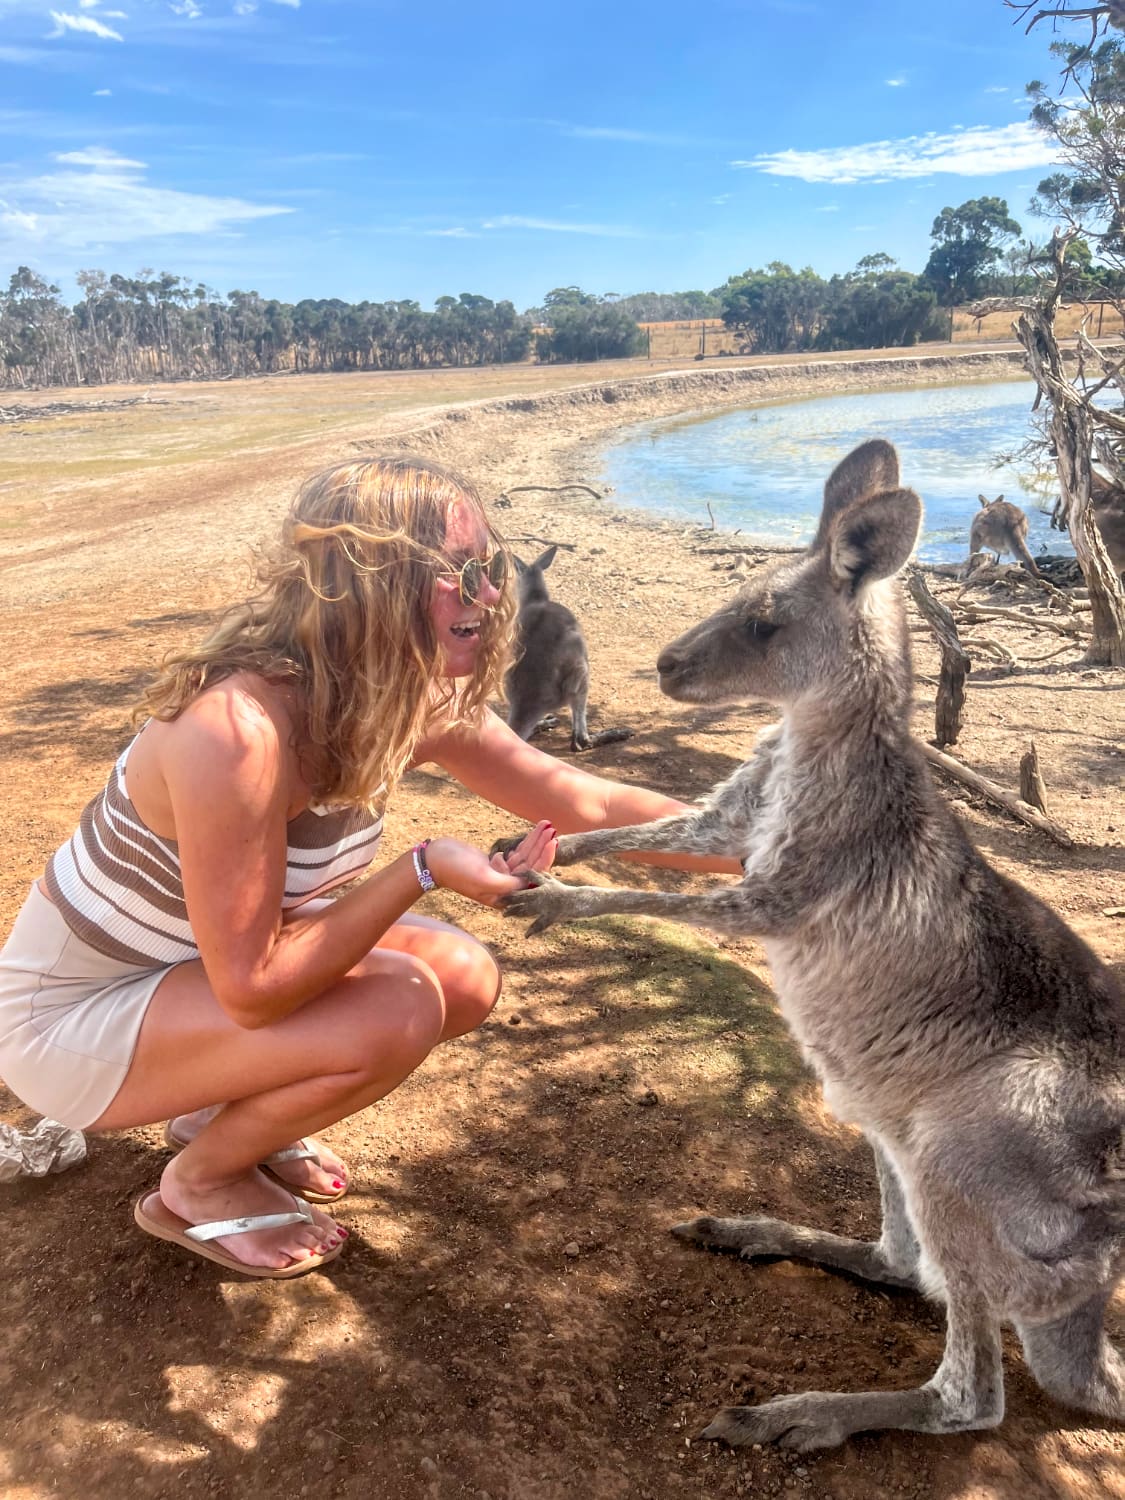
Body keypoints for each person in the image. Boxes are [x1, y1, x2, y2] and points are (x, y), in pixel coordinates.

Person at [0, 455, 734, 1279]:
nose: (489, 596)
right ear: (366, 581)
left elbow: (585, 803)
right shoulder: (237, 732)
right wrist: (420, 868)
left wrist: (791, 849)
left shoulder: (404, 696)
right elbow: (252, 987)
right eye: (459, 574)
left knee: (460, 973)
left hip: (188, 976)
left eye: (490, 568)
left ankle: (215, 1116)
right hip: (69, 1021)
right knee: (398, 1006)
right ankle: (199, 1183)